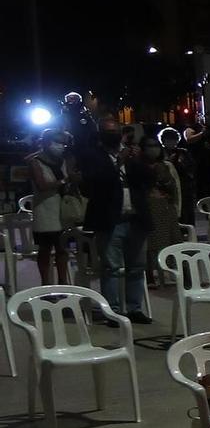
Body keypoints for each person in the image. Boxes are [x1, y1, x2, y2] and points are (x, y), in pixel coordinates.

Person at [79, 125, 153, 323]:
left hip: (136, 219)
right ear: (102, 137)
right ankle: (112, 310)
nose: (114, 135)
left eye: (116, 131)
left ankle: (134, 308)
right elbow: (93, 184)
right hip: (111, 221)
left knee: (137, 267)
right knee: (111, 267)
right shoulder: (93, 157)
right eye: (109, 131)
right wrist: (117, 163)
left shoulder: (130, 157)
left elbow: (149, 179)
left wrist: (138, 159)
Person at [27, 129, 73, 287]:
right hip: (45, 210)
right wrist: (64, 181)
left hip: (62, 210)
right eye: (57, 142)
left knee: (62, 248)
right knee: (45, 249)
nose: (61, 146)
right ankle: (45, 284)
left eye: (63, 143)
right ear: (46, 142)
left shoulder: (63, 161)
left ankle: (62, 282)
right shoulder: (35, 161)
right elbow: (42, 185)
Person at [142, 134, 183, 288]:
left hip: (166, 207)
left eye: (155, 146)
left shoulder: (166, 166)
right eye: (149, 146)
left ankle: (179, 275)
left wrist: (176, 208)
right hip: (149, 207)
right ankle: (150, 275)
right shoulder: (138, 166)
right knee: (151, 243)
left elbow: (175, 187)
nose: (153, 149)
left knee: (174, 240)